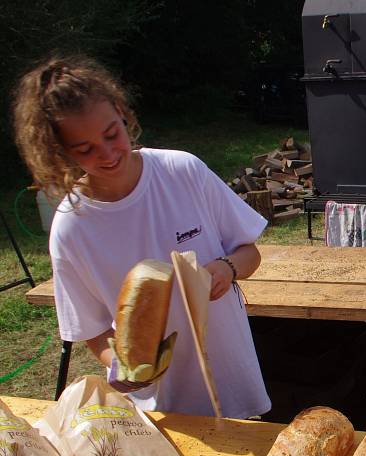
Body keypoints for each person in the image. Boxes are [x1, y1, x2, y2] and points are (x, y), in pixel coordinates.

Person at [12, 55, 271, 419]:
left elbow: (250, 253)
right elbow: (92, 328)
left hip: (232, 384)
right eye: (85, 149)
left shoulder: (183, 171)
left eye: (111, 134)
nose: (106, 154)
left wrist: (227, 268)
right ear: (61, 152)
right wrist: (121, 369)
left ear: (121, 113)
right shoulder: (72, 229)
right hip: (158, 409)